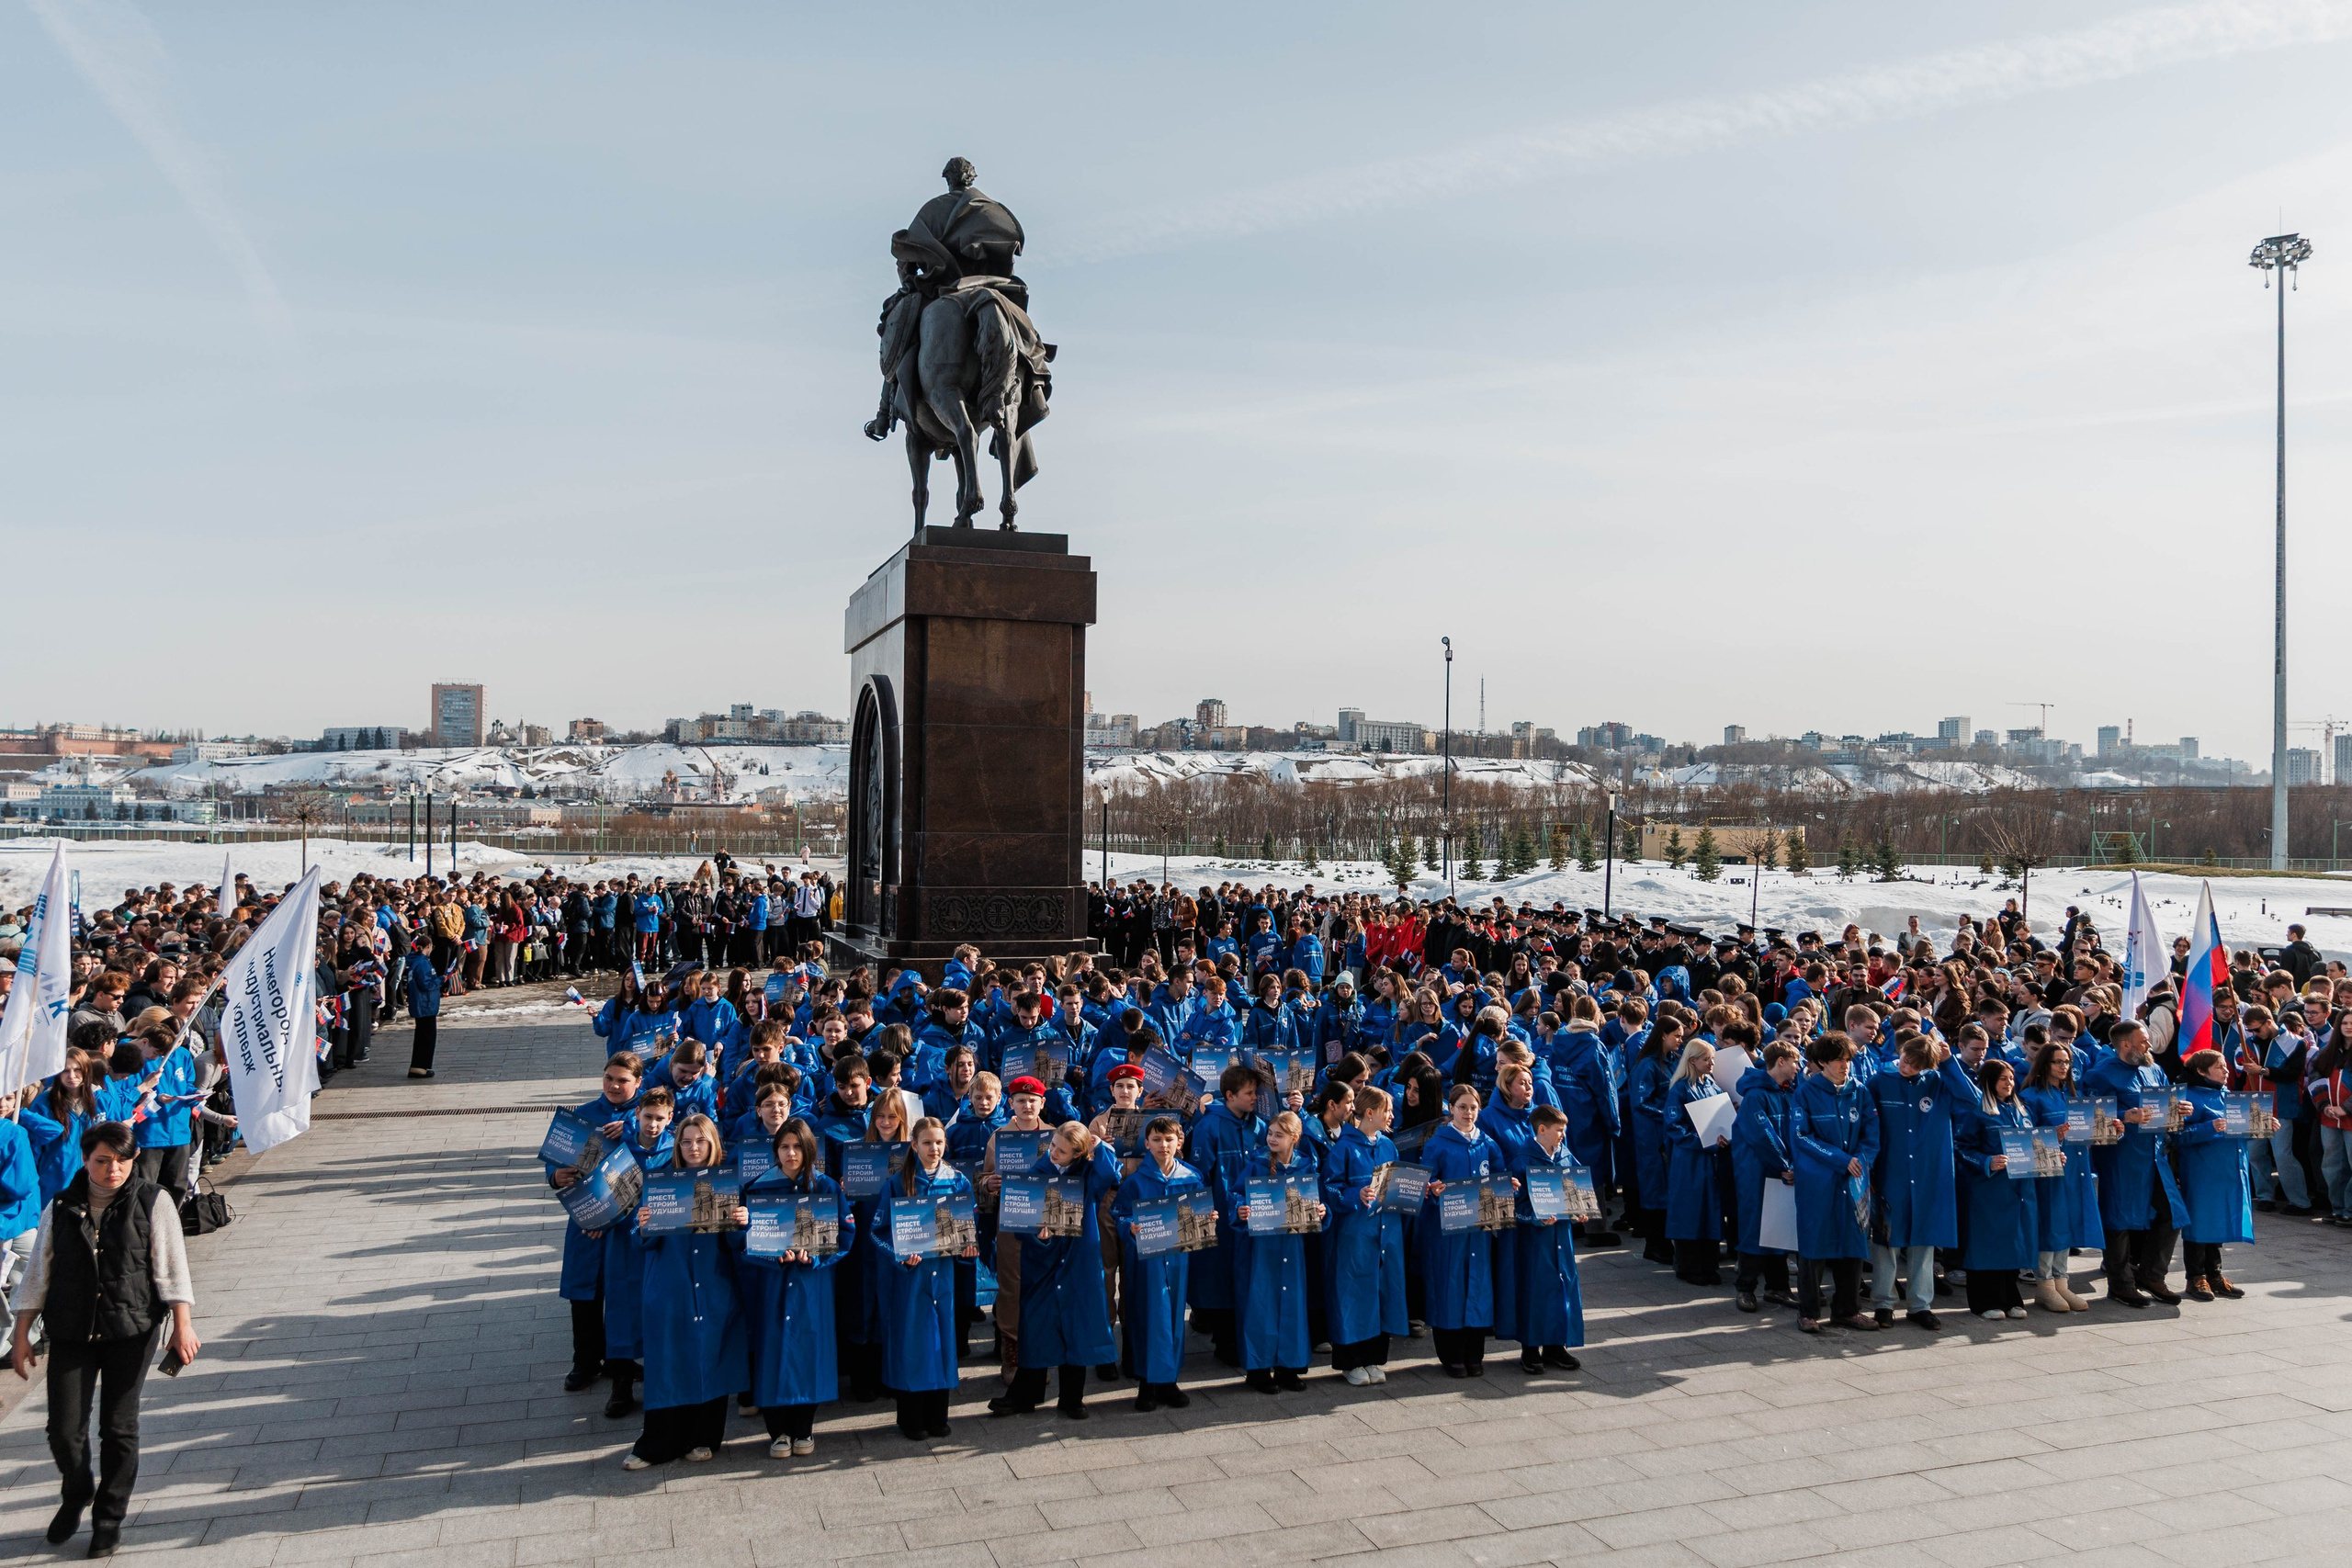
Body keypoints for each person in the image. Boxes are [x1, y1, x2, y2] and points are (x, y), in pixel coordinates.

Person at [10, 1122, 201, 1557]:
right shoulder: (60, 1206)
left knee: (118, 1428)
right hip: (71, 1328)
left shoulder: (154, 1200)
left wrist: (183, 1324)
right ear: (85, 1160)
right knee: (63, 1429)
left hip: (130, 1329)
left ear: (134, 1160)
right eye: (102, 1160)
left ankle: (108, 1518)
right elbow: (38, 1273)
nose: (113, 1169)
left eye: (122, 1160)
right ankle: (77, 1489)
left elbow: (171, 1268)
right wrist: (22, 1333)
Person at [624, 1112, 750, 1469]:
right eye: (686, 1141)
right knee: (669, 1364)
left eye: (700, 1141)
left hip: (713, 1287)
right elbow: (641, 1242)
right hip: (671, 1286)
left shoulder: (728, 1184)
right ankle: (657, 1444)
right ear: (677, 1145)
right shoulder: (662, 1182)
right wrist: (644, 1227)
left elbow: (738, 1245)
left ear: (713, 1144)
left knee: (712, 1360)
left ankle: (705, 1437)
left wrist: (743, 1223)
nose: (693, 1147)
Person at [731, 1117, 848, 1458]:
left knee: (808, 1352)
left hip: (813, 1284)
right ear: (775, 1150)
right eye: (784, 1146)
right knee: (773, 1351)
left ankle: (804, 1429)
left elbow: (844, 1235)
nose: (791, 1153)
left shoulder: (826, 1188)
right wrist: (769, 1257)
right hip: (772, 1284)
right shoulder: (757, 1187)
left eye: (798, 1146)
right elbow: (740, 1238)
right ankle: (778, 1431)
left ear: (809, 1148)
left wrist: (817, 1258)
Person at [989, 1122, 1120, 1420]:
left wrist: (1100, 1146)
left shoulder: (1088, 1174)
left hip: (1078, 1262)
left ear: (1078, 1153)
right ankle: (1026, 1395)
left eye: (1062, 1151)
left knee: (1077, 1328)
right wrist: (1037, 1236)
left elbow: (1109, 1174)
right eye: (1052, 1146)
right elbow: (1021, 1223)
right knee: (1037, 1327)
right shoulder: (1037, 1173)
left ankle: (1072, 1398)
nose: (1053, 1153)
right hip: (1043, 1264)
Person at [548, 1053, 643, 1396]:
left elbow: (667, 1147)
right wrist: (556, 1177)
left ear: (638, 1083)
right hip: (586, 1221)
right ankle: (585, 1361)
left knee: (624, 1293)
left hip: (627, 1224)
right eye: (609, 1079)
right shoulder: (583, 1116)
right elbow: (557, 1165)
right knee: (584, 1294)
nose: (615, 1086)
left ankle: (623, 1361)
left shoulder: (645, 1115)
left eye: (623, 1080)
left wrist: (632, 1128)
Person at [877, 1116, 977, 1441]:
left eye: (939, 1142)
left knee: (943, 1342)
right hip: (912, 1277)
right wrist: (900, 1255)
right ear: (914, 1145)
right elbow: (877, 1232)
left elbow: (967, 1226)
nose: (934, 1149)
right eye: (927, 1143)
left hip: (944, 1276)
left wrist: (967, 1248)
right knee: (913, 1342)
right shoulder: (897, 1183)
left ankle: (938, 1415)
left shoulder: (958, 1180)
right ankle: (911, 1417)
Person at [2086, 1020, 2189, 1308]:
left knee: (2172, 1213)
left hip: (2155, 1155)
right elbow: (2088, 1114)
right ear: (2125, 1045)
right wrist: (2124, 1115)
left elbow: (2167, 1104)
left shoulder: (2154, 1069)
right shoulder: (2101, 1075)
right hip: (2122, 1157)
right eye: (2143, 1041)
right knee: (2119, 1218)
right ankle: (2120, 1283)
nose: (2149, 1045)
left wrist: (2181, 1109)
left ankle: (2151, 1274)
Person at [1111, 1115, 1204, 1412]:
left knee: (1175, 1316)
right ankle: (1146, 1383)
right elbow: (1120, 1214)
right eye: (1156, 1140)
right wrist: (1130, 1228)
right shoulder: (1136, 1181)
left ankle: (1169, 1381)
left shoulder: (1192, 1177)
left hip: (1177, 1258)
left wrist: (1206, 1219)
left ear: (1179, 1143)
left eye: (1169, 1140)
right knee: (1146, 1315)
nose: (1163, 1145)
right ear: (1147, 1143)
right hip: (1147, 1260)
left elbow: (1198, 1213)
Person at [1418, 1084, 1511, 1377]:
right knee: (1451, 1288)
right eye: (1462, 1107)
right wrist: (1432, 1189)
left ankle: (1475, 1354)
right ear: (1451, 1108)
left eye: (1473, 1107)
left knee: (1478, 1289)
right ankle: (1451, 1355)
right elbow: (1426, 1180)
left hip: (1479, 1232)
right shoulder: (1438, 1143)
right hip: (1449, 1231)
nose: (1468, 1113)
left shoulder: (1487, 1143)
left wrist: (1507, 1187)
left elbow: (1498, 1175)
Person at [1791, 1032, 1881, 1335]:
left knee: (1853, 1245)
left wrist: (1862, 1159)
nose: (1845, 1065)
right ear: (1822, 1063)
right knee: (1814, 1246)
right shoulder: (1806, 1093)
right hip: (1818, 1182)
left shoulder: (1860, 1091)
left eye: (1848, 1060)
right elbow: (1802, 1137)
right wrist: (1841, 1159)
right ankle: (1808, 1311)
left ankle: (1848, 1309)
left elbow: (1872, 1133)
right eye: (1839, 1060)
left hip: (1854, 1182)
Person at [1231, 1111, 1326, 1393]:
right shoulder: (1256, 1163)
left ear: (1294, 1138)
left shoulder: (1306, 1164)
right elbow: (1236, 1193)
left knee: (1293, 1304)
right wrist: (1240, 1208)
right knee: (1262, 1303)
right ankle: (1258, 1369)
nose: (1272, 1138)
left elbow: (1319, 1198)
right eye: (1270, 1133)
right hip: (1263, 1245)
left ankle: (1288, 1367)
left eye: (1279, 1135)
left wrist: (1322, 1209)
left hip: (1293, 1245)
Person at [1320, 1085, 1407, 1388]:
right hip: (1355, 1234)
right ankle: (1350, 1360)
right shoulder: (1344, 1148)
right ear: (1370, 1112)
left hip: (1384, 1233)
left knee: (1380, 1292)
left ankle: (1373, 1357)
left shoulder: (1388, 1145)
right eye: (1388, 1110)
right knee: (1353, 1293)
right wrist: (1354, 1194)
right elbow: (1329, 1188)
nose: (1392, 1116)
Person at [1501, 1104, 1586, 1374]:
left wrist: (1578, 1212)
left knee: (1563, 1287)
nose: (1563, 1135)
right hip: (1535, 1241)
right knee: (1535, 1290)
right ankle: (1530, 1348)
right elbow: (1513, 1205)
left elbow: (1574, 1192)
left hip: (1561, 1235)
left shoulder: (1565, 1155)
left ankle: (1556, 1346)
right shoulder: (1522, 1159)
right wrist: (1535, 1219)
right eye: (1559, 1131)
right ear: (1542, 1130)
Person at [1953, 1058, 2038, 1321]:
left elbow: (2034, 1144)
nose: (2009, 1083)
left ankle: (2010, 1295)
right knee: (1987, 1245)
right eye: (2003, 1079)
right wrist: (1986, 1161)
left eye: (2011, 1079)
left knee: (2013, 1243)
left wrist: (2051, 1156)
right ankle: (1983, 1301)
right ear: (1989, 1081)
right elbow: (1961, 1148)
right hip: (1987, 1190)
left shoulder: (2022, 1110)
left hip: (2018, 1189)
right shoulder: (1977, 1111)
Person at [2018, 1039, 2096, 1312]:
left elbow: (2085, 1132)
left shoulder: (2070, 1095)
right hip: (2047, 1170)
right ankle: (2045, 1284)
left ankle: (2062, 1281)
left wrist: (2107, 1129)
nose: (2064, 1067)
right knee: (2049, 1223)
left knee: (2066, 1221)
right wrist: (2053, 1135)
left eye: (2067, 1062)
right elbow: (2023, 1136)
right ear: (2044, 1064)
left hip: (2074, 1168)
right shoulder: (2030, 1097)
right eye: (2058, 1062)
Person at [2174, 1048, 2252, 1302]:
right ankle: (2195, 1277)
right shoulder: (2188, 1098)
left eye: (2226, 1066)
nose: (2227, 1071)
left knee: (2218, 1219)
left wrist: (2262, 1125)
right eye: (2220, 1067)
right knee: (2200, 1221)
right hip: (2201, 1171)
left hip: (2227, 1169)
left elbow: (2241, 1128)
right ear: (2201, 1071)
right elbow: (2176, 1137)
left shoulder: (2228, 1095)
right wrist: (2208, 1128)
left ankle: (2215, 1274)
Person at [1729, 1040, 1800, 1313]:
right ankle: (1745, 1288)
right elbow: (1763, 1136)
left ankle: (1778, 1287)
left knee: (1779, 1228)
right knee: (1755, 1228)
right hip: (1758, 1173)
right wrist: (1785, 1164)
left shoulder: (1786, 1092)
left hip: (1780, 1172)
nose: (1798, 1067)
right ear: (1780, 1061)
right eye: (1794, 1062)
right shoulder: (1757, 1096)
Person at [1662, 1038, 1731, 1287]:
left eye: (1712, 1059)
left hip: (1711, 1158)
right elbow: (1674, 1126)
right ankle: (1688, 1265)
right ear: (1692, 1061)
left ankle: (1708, 1263)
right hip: (1690, 1159)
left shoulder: (1710, 1084)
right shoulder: (1680, 1089)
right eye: (1706, 1059)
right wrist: (1705, 1140)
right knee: (1691, 1211)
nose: (1711, 1063)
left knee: (1710, 1211)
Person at [405, 936, 444, 1079]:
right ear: (428, 946)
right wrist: (441, 979)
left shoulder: (415, 961)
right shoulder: (422, 963)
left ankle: (419, 1065)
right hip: (425, 1003)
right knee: (427, 1037)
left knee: (423, 1035)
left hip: (420, 1003)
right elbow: (426, 984)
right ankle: (421, 1066)